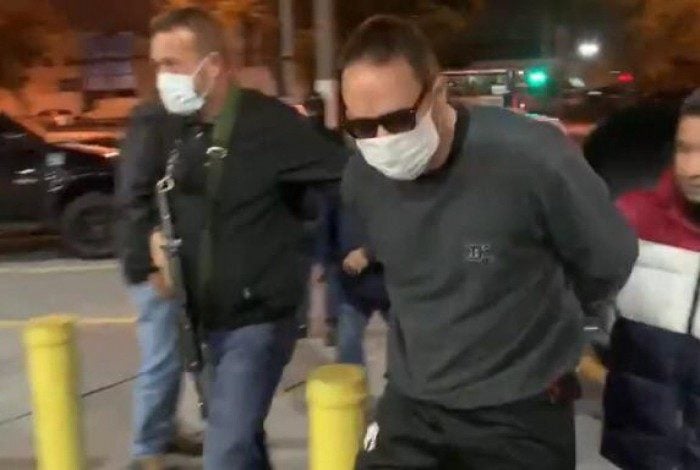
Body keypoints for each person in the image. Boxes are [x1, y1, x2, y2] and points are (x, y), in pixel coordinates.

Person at [338, 16, 638, 469]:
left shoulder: (530, 157)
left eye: (397, 120)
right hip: (413, 406)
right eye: (362, 128)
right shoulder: (363, 178)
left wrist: (546, 322)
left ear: (438, 93)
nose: (381, 141)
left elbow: (608, 258)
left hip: (519, 412)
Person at [120, 7, 347, 470]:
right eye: (158, 64)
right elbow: (140, 196)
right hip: (203, 322)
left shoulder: (271, 126)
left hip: (257, 322)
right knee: (243, 442)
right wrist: (152, 241)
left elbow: (347, 176)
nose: (162, 77)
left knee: (224, 452)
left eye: (172, 64)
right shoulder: (174, 127)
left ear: (214, 65)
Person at [601, 89, 700, 470]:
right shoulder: (632, 218)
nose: (692, 167)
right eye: (684, 149)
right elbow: (592, 307)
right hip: (643, 453)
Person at [118, 102, 203, 470]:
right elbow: (133, 199)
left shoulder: (184, 123)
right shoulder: (154, 123)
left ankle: (164, 431)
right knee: (163, 359)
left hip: (177, 260)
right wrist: (148, 266)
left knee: (176, 355)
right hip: (155, 264)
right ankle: (147, 449)